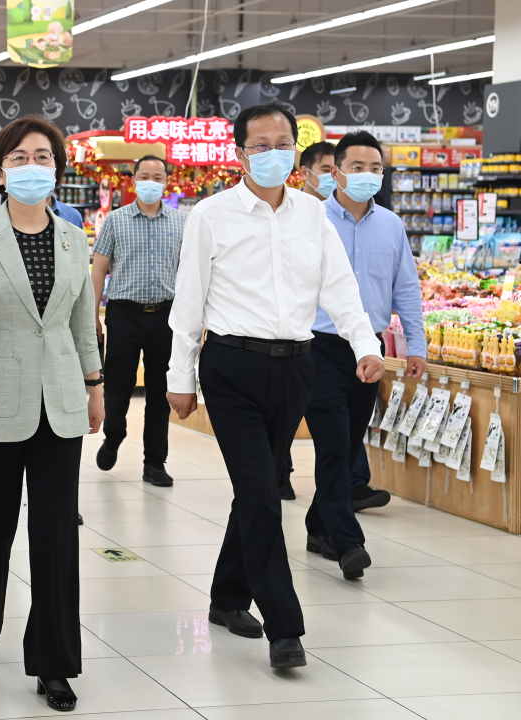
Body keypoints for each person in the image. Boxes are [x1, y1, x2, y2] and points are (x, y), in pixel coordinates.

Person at [166, 103, 384, 670]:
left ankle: (226, 596)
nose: (273, 153)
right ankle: (285, 628)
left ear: (297, 150)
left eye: (282, 143)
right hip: (230, 366)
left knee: (254, 490)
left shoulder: (312, 214)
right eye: (260, 145)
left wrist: (365, 345)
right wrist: (179, 377)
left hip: (296, 367)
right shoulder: (211, 215)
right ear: (240, 153)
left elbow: (340, 286)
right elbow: (189, 302)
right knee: (264, 493)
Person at [0, 117, 103, 713]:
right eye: (19, 158)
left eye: (43, 157)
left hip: (60, 401)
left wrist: (95, 387)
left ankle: (54, 661)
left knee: (56, 535)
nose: (32, 166)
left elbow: (82, 322)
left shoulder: (73, 238)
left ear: (57, 169)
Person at [303, 131, 426, 577]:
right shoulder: (310, 219)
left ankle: (318, 526)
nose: (367, 175)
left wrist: (416, 345)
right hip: (318, 346)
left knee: (350, 440)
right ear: (336, 172)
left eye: (375, 168)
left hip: (369, 350)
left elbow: (406, 288)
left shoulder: (391, 225)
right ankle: (347, 540)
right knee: (334, 443)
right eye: (357, 167)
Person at [92, 155, 184, 487]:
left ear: (166, 182)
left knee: (160, 393)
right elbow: (99, 269)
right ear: (133, 180)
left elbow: (190, 272)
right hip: (124, 314)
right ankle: (114, 435)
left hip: (166, 316)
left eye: (157, 177)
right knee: (118, 387)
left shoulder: (182, 222)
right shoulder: (115, 220)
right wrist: (93, 315)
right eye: (144, 176)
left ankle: (154, 462)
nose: (151, 182)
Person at [276, 140, 340, 501]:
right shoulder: (289, 214)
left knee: (329, 419)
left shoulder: (333, 215)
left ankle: (345, 488)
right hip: (293, 331)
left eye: (336, 169)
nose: (333, 177)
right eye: (326, 169)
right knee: (284, 409)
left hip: (329, 332)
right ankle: (280, 472)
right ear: (306, 173)